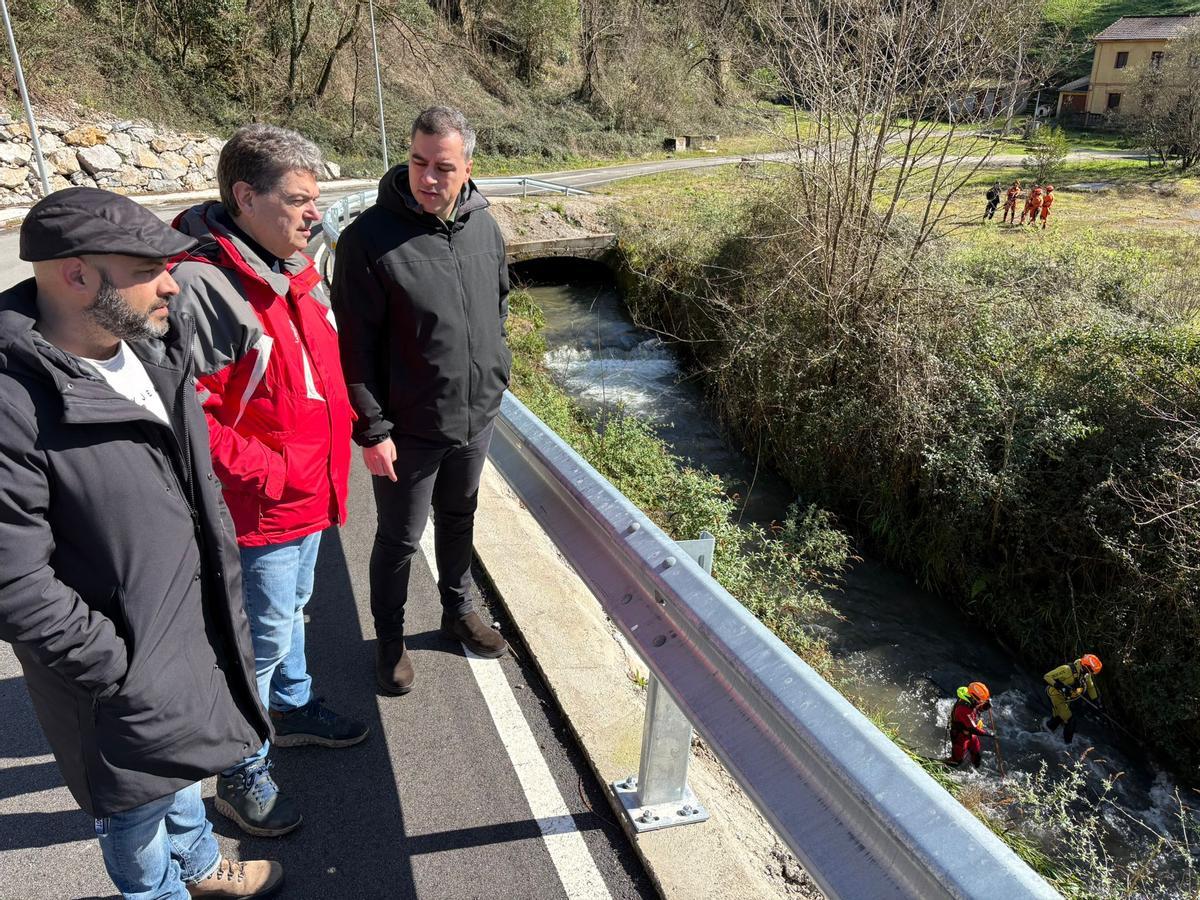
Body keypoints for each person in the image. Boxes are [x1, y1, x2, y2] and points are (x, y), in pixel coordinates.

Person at [0, 187, 281, 898]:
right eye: (146, 267)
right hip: (121, 676)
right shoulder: (13, 403)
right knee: (135, 811)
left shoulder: (151, 352)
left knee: (182, 775)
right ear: (76, 274)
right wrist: (118, 668)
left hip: (189, 636)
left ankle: (200, 867)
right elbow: (14, 584)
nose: (170, 282)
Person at [170, 124, 367, 838]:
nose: (313, 214)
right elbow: (185, 414)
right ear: (244, 196)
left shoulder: (288, 265)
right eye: (298, 200)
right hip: (262, 507)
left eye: (317, 200)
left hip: (307, 493)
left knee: (291, 615)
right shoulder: (207, 285)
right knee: (253, 640)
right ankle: (239, 770)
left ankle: (292, 705)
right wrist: (277, 473)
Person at [331, 105, 511, 696]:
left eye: (443, 167)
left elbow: (497, 308)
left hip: (474, 416)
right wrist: (373, 429)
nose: (427, 178)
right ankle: (389, 641)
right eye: (417, 162)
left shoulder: (485, 227)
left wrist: (496, 376)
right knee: (400, 539)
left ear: (467, 168)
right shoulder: (367, 241)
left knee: (460, 517)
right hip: (406, 427)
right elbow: (352, 349)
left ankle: (457, 612)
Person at [1044, 654, 1102, 744]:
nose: (1090, 674)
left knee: (1059, 717)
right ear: (1085, 666)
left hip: (1066, 699)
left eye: (1092, 673)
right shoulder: (1066, 669)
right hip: (1056, 696)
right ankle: (1067, 746)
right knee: (1071, 721)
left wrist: (1096, 702)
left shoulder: (1086, 674)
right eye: (1090, 671)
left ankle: (1047, 729)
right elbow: (1047, 676)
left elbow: (1090, 687)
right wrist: (1060, 687)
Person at [947, 682, 992, 768]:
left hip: (970, 734)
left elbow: (976, 709)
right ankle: (941, 765)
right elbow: (973, 728)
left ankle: (976, 766)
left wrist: (984, 706)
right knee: (957, 761)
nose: (981, 702)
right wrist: (990, 734)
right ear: (974, 698)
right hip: (960, 736)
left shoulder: (969, 698)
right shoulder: (964, 709)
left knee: (976, 754)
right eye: (980, 701)